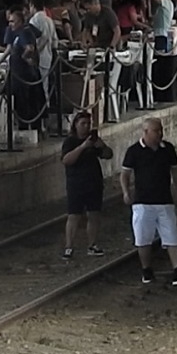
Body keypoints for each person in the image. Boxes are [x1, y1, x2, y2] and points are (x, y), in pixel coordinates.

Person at [120, 117, 177, 286]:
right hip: (142, 202)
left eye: (160, 130)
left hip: (165, 200)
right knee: (143, 238)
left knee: (172, 236)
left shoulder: (168, 149)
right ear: (145, 132)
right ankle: (146, 269)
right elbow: (125, 174)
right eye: (156, 131)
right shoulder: (134, 151)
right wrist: (126, 192)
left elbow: (175, 172)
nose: (160, 134)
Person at [60, 111, 113, 259]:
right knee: (74, 215)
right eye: (83, 123)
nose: (86, 127)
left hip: (94, 182)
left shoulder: (94, 140)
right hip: (76, 183)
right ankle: (69, 246)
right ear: (75, 125)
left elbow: (108, 155)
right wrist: (83, 147)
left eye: (88, 124)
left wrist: (102, 146)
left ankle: (92, 244)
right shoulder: (70, 142)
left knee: (94, 214)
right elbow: (67, 160)